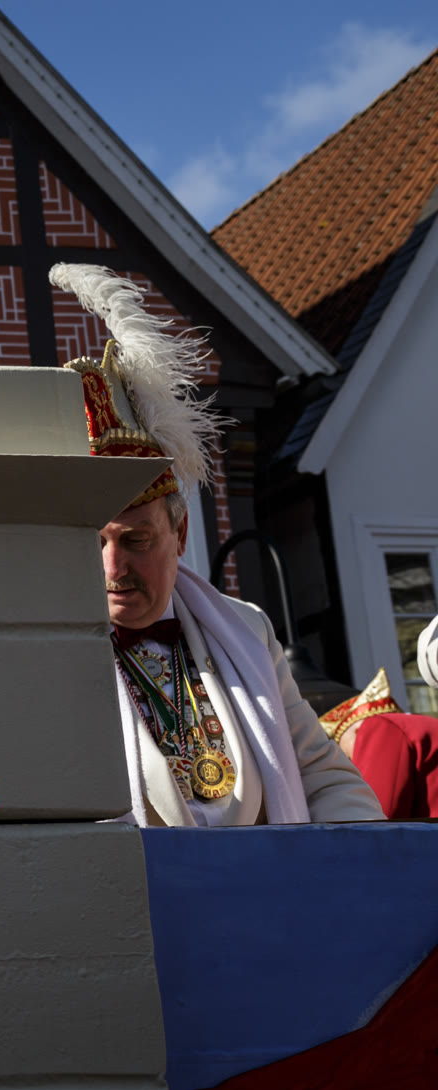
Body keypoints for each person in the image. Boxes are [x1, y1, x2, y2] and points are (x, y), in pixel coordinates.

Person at [54, 264, 384, 826]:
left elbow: (326, 777)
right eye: (96, 542)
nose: (113, 566)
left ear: (180, 534)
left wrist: (348, 858)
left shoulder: (247, 629)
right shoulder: (48, 647)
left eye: (136, 540)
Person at [318, 664, 438, 819]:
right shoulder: (411, 725)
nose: (351, 761)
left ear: (356, 730)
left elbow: (375, 817)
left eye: (346, 754)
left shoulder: (381, 726)